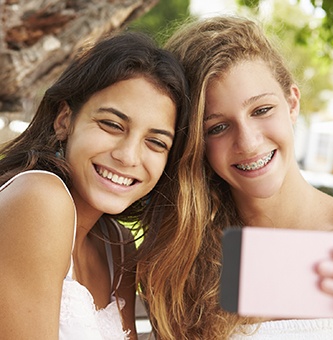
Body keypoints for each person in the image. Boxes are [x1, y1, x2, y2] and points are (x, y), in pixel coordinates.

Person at [139, 15, 333, 339]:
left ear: (292, 103)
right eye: (217, 127)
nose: (247, 142)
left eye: (261, 110)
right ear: (195, 143)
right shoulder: (185, 260)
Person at [0, 30, 190, 339]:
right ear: (64, 120)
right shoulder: (39, 198)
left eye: (156, 142)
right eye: (112, 125)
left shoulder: (119, 247)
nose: (128, 156)